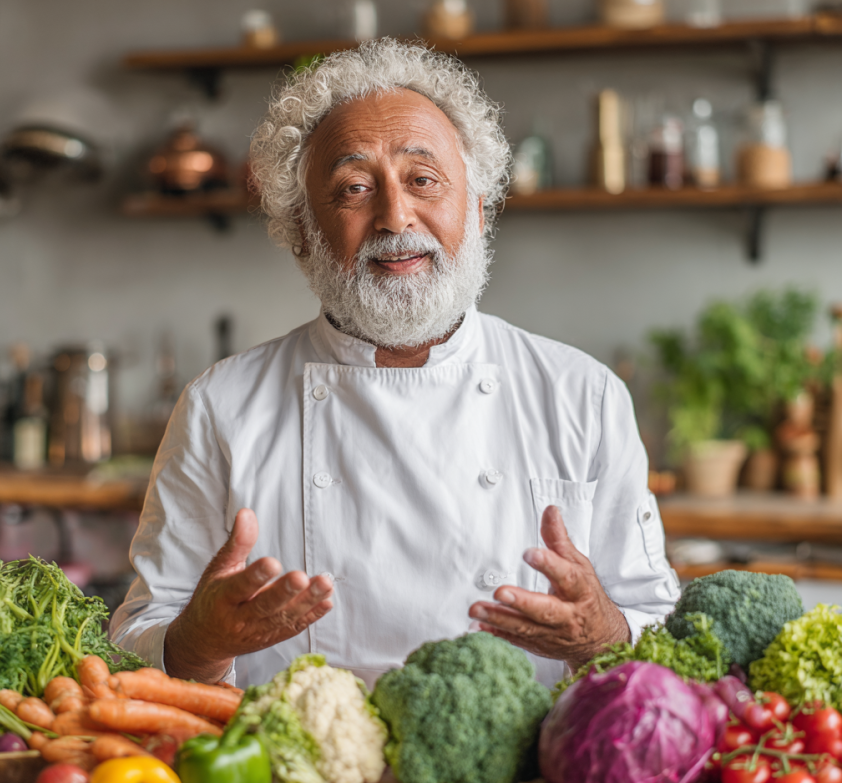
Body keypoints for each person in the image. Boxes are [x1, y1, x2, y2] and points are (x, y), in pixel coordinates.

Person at [111, 39, 679, 689]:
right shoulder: (222, 406)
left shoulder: (582, 396)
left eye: (422, 179)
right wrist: (196, 642)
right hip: (289, 782)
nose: (394, 216)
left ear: (478, 207)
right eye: (353, 188)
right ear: (301, 229)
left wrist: (602, 633)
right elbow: (135, 636)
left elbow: (657, 628)